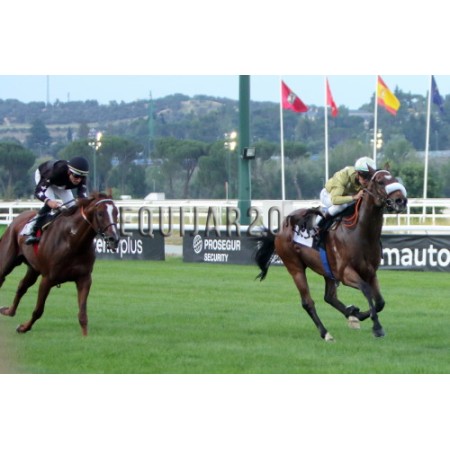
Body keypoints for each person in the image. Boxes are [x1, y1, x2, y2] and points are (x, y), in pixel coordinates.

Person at [25, 156, 90, 245]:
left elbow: (83, 199)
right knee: (50, 205)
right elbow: (38, 191)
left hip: (62, 184)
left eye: (81, 177)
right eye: (76, 176)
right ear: (69, 172)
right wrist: (49, 202)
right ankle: (32, 228)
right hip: (44, 176)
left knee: (73, 207)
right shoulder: (56, 172)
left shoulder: (81, 178)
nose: (79, 180)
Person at [315, 156, 377, 230]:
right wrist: (354, 197)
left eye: (370, 177)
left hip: (346, 196)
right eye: (365, 176)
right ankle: (319, 223)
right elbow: (335, 200)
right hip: (328, 195)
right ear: (357, 173)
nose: (367, 180)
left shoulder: (363, 180)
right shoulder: (343, 176)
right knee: (341, 206)